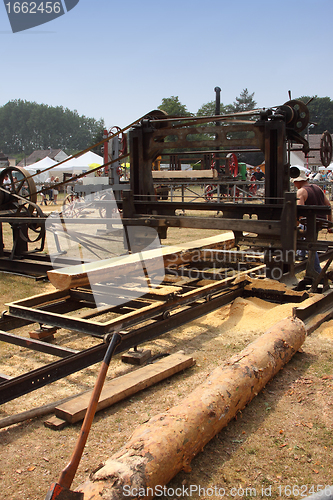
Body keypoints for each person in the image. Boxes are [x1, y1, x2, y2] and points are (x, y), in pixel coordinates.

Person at [293, 170, 332, 274]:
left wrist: (295, 226)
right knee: (309, 241)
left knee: (310, 245)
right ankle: (301, 254)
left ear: (297, 182)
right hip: (320, 221)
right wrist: (330, 224)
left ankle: (317, 271)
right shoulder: (317, 188)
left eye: (294, 182)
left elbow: (299, 211)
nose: (294, 184)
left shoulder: (301, 191)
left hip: (308, 222)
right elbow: (328, 205)